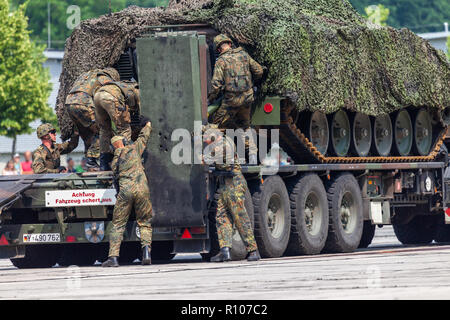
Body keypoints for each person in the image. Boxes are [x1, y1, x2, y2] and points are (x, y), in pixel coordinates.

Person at [202, 123, 260, 262]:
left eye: (205, 136)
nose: (204, 140)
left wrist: (205, 160)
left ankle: (253, 250)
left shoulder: (224, 145)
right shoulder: (216, 145)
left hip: (234, 184)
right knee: (221, 218)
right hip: (224, 185)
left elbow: (226, 166)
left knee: (240, 218)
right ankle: (225, 251)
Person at [102, 121, 153, 267]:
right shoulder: (135, 148)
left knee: (118, 224)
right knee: (144, 222)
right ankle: (146, 254)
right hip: (142, 189)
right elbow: (144, 137)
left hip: (125, 191)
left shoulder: (115, 160)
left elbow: (115, 174)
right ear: (124, 141)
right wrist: (148, 125)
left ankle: (113, 258)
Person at [208, 34, 265, 164]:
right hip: (247, 98)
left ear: (218, 49)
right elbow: (259, 71)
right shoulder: (244, 55)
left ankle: (220, 157)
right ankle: (252, 155)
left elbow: (216, 84)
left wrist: (211, 98)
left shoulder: (221, 61)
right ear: (229, 43)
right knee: (245, 126)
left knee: (215, 126)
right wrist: (251, 82)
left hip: (231, 101)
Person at [65, 68, 120, 169]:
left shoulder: (85, 76)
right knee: (102, 131)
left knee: (87, 134)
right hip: (84, 103)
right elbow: (110, 94)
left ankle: (89, 162)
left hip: (69, 103)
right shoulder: (103, 77)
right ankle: (91, 160)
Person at [94, 80, 140, 171]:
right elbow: (141, 109)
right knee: (124, 129)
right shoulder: (138, 89)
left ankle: (104, 164)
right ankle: (124, 160)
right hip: (111, 97)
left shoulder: (126, 85)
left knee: (104, 130)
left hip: (97, 95)